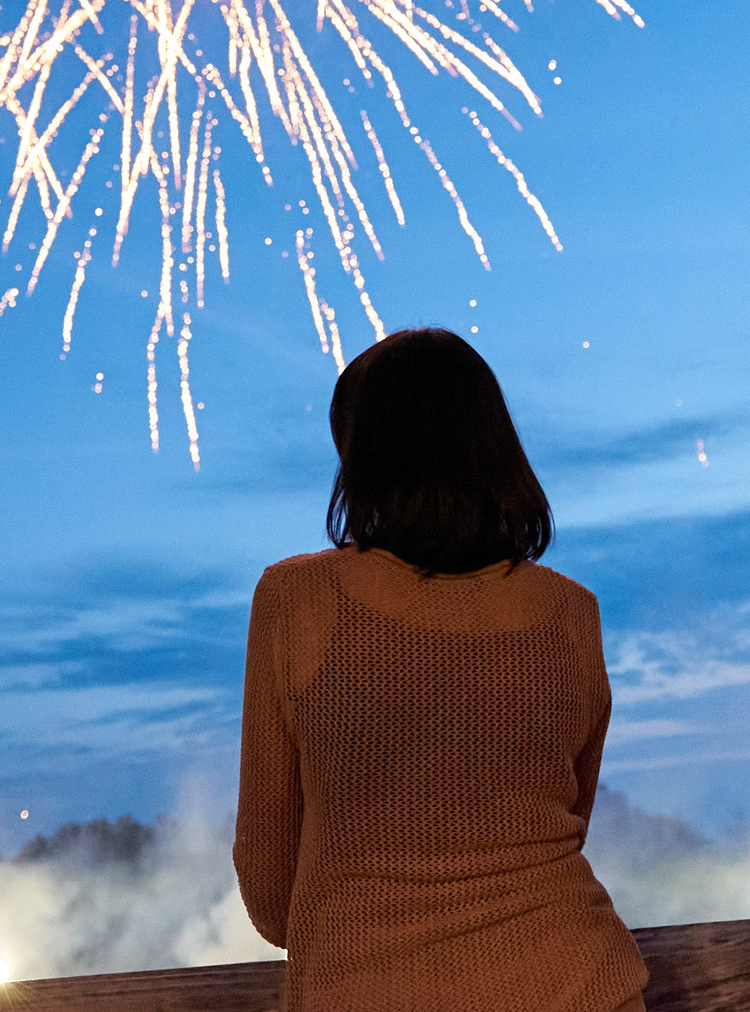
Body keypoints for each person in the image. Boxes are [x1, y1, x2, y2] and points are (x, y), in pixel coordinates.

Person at [232, 327, 646, 1012]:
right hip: (579, 984)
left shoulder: (298, 599)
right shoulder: (572, 613)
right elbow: (565, 813)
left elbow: (272, 891)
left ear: (361, 460)